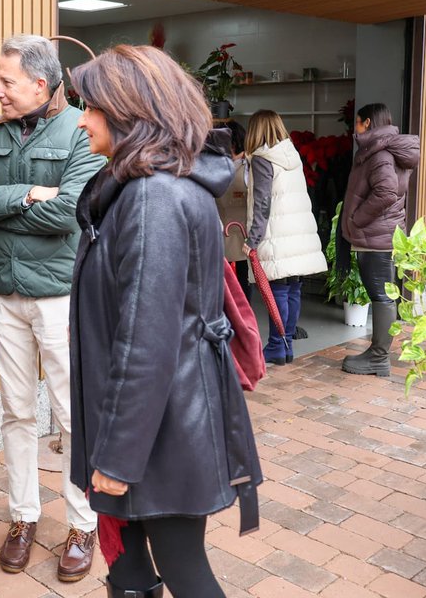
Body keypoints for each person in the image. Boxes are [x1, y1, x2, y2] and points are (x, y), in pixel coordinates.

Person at [68, 45, 262, 598]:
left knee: (182, 568)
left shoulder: (153, 196)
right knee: (130, 566)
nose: (82, 119)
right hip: (152, 418)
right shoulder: (147, 186)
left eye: (92, 106)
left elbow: (147, 341)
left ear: (130, 112)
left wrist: (118, 456)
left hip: (160, 428)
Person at [0, 34, 104, 581]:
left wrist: (3, 199)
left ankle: (82, 523)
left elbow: (68, 213)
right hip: (3, 291)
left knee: (70, 416)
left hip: (58, 298)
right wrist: (25, 197)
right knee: (16, 410)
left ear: (40, 85)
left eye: (6, 82)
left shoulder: (79, 131)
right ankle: (23, 517)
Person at [339, 102, 420, 377]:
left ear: (368, 124)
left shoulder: (379, 155)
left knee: (382, 297)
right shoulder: (379, 150)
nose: (355, 127)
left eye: (358, 122)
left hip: (377, 237)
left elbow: (386, 192)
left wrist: (357, 219)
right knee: (382, 296)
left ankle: (378, 357)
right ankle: (378, 355)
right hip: (379, 235)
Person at [243, 110, 327, 366]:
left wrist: (252, 240)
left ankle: (277, 346)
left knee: (277, 289)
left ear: (256, 130)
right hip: (299, 233)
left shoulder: (262, 159)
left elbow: (262, 203)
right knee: (293, 289)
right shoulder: (291, 155)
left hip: (277, 234)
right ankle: (286, 344)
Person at [216, 120, 250, 299]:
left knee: (241, 284)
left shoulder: (248, 167)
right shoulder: (218, 165)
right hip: (219, 233)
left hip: (240, 235)